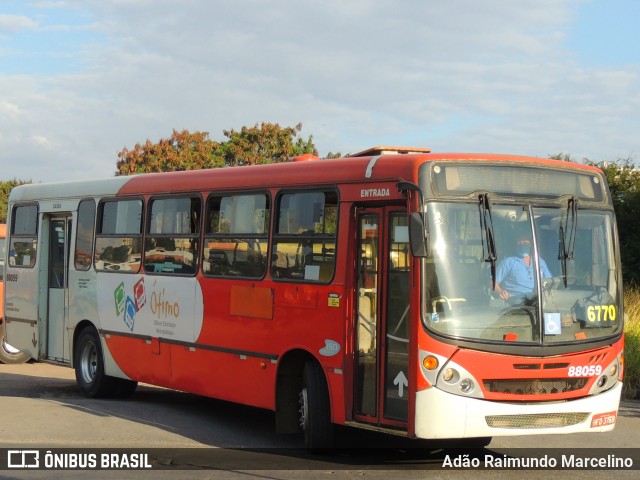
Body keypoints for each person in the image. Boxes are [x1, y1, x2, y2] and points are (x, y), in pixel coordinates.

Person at [494, 235, 551, 300]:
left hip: (539, 301)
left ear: (531, 245)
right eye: (519, 244)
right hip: (516, 302)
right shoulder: (508, 262)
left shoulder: (540, 262)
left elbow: (550, 282)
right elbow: (492, 281)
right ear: (515, 246)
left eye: (525, 243)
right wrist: (500, 292)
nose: (522, 246)